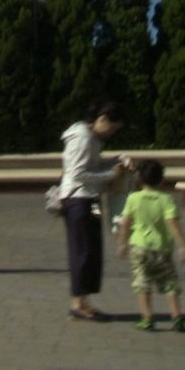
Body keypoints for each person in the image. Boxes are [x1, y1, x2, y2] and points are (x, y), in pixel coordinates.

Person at [59, 101, 127, 321]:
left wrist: (117, 160)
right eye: (113, 127)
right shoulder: (82, 138)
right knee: (83, 251)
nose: (112, 132)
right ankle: (78, 302)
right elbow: (78, 173)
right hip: (79, 200)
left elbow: (93, 165)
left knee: (91, 251)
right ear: (102, 119)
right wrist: (111, 175)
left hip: (89, 199)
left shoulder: (91, 138)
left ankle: (83, 300)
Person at [116, 159, 185, 332]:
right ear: (161, 180)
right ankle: (177, 316)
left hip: (139, 247)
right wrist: (182, 245)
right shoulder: (166, 200)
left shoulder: (133, 198)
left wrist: (122, 244)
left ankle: (147, 318)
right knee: (170, 282)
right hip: (162, 248)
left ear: (139, 179)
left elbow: (125, 223)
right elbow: (172, 224)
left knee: (142, 282)